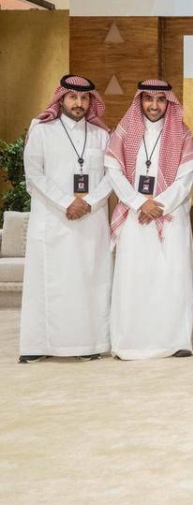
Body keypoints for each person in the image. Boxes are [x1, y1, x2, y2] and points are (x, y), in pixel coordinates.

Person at [18, 75, 113, 363]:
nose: (79, 103)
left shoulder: (101, 135)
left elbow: (112, 176)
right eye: (73, 97)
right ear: (61, 99)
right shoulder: (42, 130)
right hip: (52, 221)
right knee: (48, 283)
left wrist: (89, 202)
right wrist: (66, 202)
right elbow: (34, 174)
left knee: (89, 282)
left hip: (90, 222)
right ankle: (38, 345)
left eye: (84, 98)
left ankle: (88, 344)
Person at [105, 80, 193, 360]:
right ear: (140, 101)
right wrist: (138, 202)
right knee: (134, 279)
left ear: (168, 102)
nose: (154, 105)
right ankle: (130, 343)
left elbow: (186, 177)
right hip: (135, 217)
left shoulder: (182, 134)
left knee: (172, 278)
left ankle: (175, 341)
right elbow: (113, 171)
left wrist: (159, 205)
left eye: (160, 99)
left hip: (170, 217)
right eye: (148, 99)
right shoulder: (124, 132)